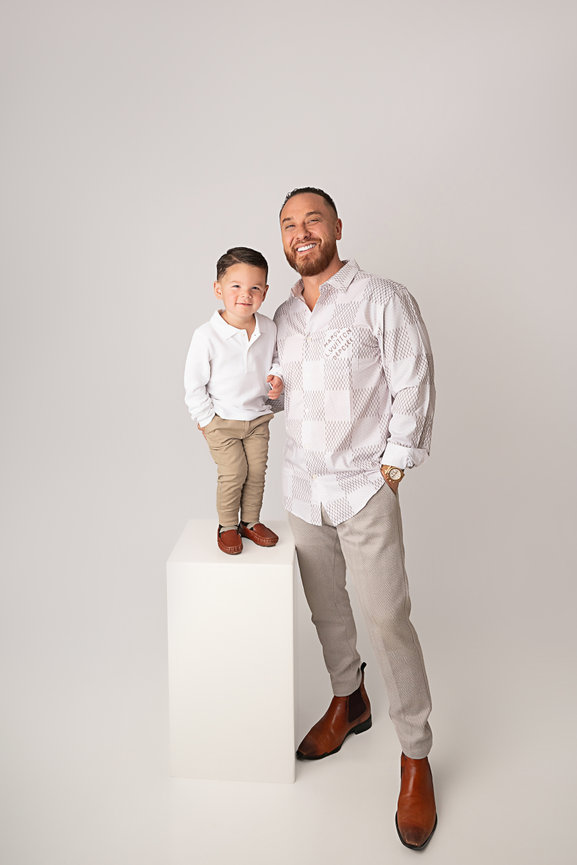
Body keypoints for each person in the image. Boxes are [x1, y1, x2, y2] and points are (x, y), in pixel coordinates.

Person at [274, 188, 437, 850]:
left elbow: (413, 379)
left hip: (363, 487)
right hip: (301, 487)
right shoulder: (282, 314)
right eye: (288, 225)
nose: (301, 232)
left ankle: (415, 753)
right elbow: (278, 390)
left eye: (312, 219)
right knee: (327, 611)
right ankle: (349, 698)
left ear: (337, 226)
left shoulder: (382, 298)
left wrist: (392, 467)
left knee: (387, 618)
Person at [184, 246, 283, 555]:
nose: (245, 295)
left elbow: (277, 360)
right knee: (234, 472)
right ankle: (227, 525)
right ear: (218, 289)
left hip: (257, 418)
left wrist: (277, 376)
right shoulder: (206, 335)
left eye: (255, 288)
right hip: (222, 421)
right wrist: (206, 420)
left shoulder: (269, 328)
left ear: (265, 292)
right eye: (236, 286)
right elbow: (193, 384)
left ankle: (250, 522)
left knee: (256, 472)